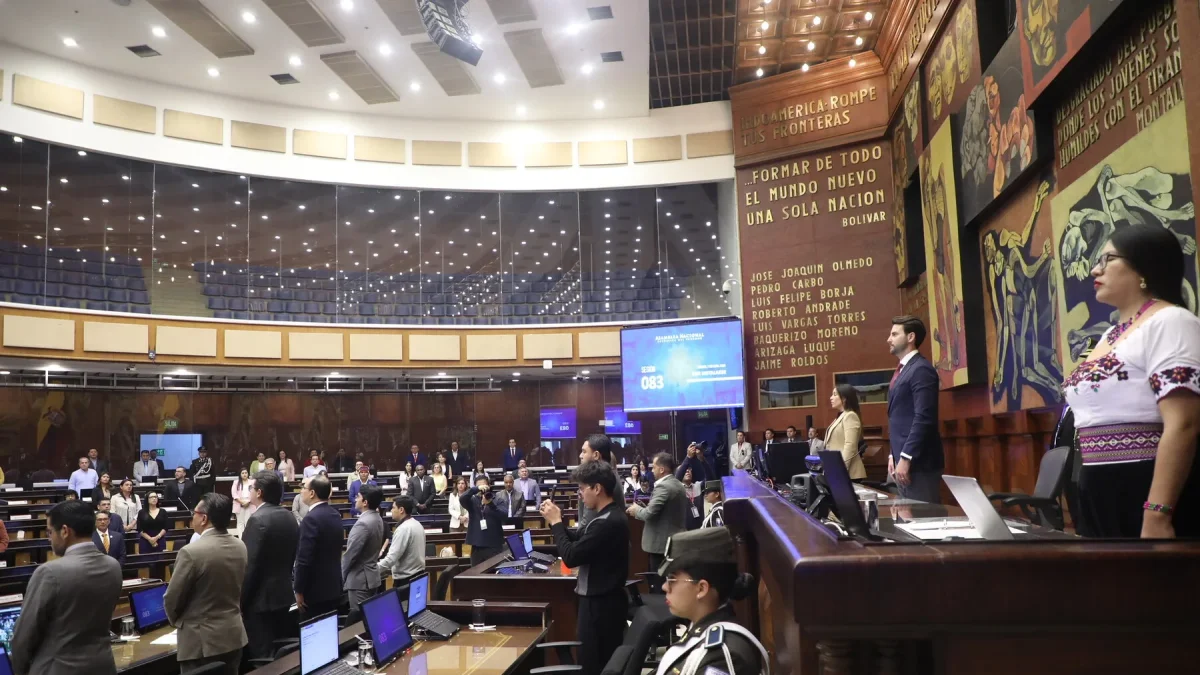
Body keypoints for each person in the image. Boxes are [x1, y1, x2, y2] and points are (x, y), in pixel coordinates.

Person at [1063, 226, 1200, 538]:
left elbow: (1184, 424)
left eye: (1108, 258)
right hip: (1097, 486)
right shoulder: (1108, 335)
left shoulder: (1171, 322)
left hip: (1144, 488)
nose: (1095, 269)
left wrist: (1157, 513)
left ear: (1144, 268)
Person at [10, 500, 122, 675]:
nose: (49, 539)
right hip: (103, 665)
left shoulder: (50, 572)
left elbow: (22, 639)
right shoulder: (113, 566)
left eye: (50, 532)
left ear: (64, 531)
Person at [539, 461, 628, 675]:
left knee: (593, 665)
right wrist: (556, 520)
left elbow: (570, 556)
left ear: (597, 488)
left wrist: (556, 522)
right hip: (601, 602)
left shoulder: (608, 522)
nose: (579, 494)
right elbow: (580, 537)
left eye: (581, 488)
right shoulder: (605, 516)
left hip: (600, 608)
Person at [655, 528, 767, 675]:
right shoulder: (699, 626)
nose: (664, 587)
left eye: (672, 580)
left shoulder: (723, 656)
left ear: (701, 588)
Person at [164, 493, 248, 675]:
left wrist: (178, 623)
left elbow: (172, 598)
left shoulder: (191, 552)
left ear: (203, 518)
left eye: (194, 512)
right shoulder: (240, 546)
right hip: (233, 636)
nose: (191, 517)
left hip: (201, 643)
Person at [240, 471, 300, 662]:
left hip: (259, 602)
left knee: (262, 657)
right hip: (283, 595)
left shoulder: (257, 519)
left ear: (259, 493)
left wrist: (240, 601)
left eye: (251, 488)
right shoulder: (289, 516)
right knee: (282, 655)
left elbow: (250, 567)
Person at [886, 315, 945, 503]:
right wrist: (892, 454)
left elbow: (924, 417)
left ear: (910, 337)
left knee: (923, 523)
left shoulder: (921, 369)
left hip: (919, 464)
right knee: (908, 522)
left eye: (894, 334)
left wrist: (906, 457)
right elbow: (899, 418)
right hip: (902, 462)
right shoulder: (904, 370)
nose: (889, 339)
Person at [627, 452, 687, 592]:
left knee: (659, 586)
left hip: (660, 546)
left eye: (654, 467)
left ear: (662, 469)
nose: (651, 470)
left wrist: (636, 510)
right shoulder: (677, 484)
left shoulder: (663, 487)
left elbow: (649, 514)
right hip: (672, 542)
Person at [293, 474, 343, 620]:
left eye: (304, 487)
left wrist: (299, 590)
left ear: (312, 493)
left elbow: (304, 559)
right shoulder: (335, 514)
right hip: (333, 586)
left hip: (315, 592)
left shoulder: (310, 519)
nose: (301, 490)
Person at [343, 484, 385, 619]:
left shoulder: (363, 523)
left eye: (358, 497)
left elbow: (350, 556)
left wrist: (341, 578)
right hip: (372, 576)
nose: (355, 499)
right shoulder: (377, 518)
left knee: (359, 622)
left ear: (365, 502)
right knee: (370, 619)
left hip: (360, 580)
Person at [379, 494, 426, 589]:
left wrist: (372, 570)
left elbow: (391, 559)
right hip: (419, 576)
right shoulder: (417, 524)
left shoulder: (403, 529)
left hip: (406, 580)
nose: (391, 510)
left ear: (401, 510)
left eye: (393, 507)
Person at [578, 433, 624, 527]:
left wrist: (556, 522)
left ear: (596, 455)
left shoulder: (599, 481)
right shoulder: (610, 474)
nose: (580, 456)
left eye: (584, 451)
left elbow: (587, 526)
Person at [825, 384, 867, 479]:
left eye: (835, 394)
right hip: (835, 469)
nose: (831, 398)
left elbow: (850, 445)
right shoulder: (840, 417)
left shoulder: (850, 416)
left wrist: (841, 469)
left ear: (844, 399)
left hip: (849, 473)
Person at [462, 475, 505, 564]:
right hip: (477, 545)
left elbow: (504, 516)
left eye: (484, 486)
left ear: (489, 485)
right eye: (479, 487)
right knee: (475, 575)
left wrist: (491, 504)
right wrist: (475, 489)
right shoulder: (472, 501)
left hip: (494, 544)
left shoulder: (498, 499)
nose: (482, 490)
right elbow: (462, 498)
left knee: (495, 574)